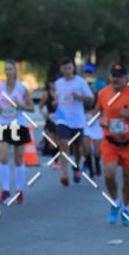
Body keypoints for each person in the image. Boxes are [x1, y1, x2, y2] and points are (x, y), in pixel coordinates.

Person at [96, 62, 129, 225]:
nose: (115, 79)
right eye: (113, 76)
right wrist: (101, 120)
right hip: (110, 141)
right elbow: (98, 112)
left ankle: (126, 207)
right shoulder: (103, 93)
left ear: (126, 78)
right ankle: (115, 203)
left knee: (127, 179)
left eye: (119, 77)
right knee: (109, 175)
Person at [0, 61, 34, 204]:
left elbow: (31, 108)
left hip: (19, 125)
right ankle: (5, 191)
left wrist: (20, 105)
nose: (8, 71)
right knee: (3, 157)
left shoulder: (22, 88)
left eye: (10, 69)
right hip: (3, 124)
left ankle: (19, 190)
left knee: (18, 159)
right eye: (6, 69)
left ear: (15, 71)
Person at [53, 58, 93, 186]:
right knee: (63, 144)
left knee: (77, 149)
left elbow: (91, 99)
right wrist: (55, 102)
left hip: (77, 120)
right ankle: (64, 173)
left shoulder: (80, 82)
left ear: (73, 68)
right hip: (62, 118)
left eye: (69, 68)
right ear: (61, 69)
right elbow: (57, 99)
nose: (67, 71)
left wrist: (79, 97)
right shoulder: (58, 83)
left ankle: (76, 168)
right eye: (65, 68)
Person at [39, 79, 58, 160]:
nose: (54, 85)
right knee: (51, 138)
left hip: (60, 119)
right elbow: (40, 106)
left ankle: (58, 154)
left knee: (59, 139)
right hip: (50, 119)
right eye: (52, 83)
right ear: (50, 84)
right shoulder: (46, 94)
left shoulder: (60, 93)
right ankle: (55, 159)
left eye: (55, 83)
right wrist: (43, 114)